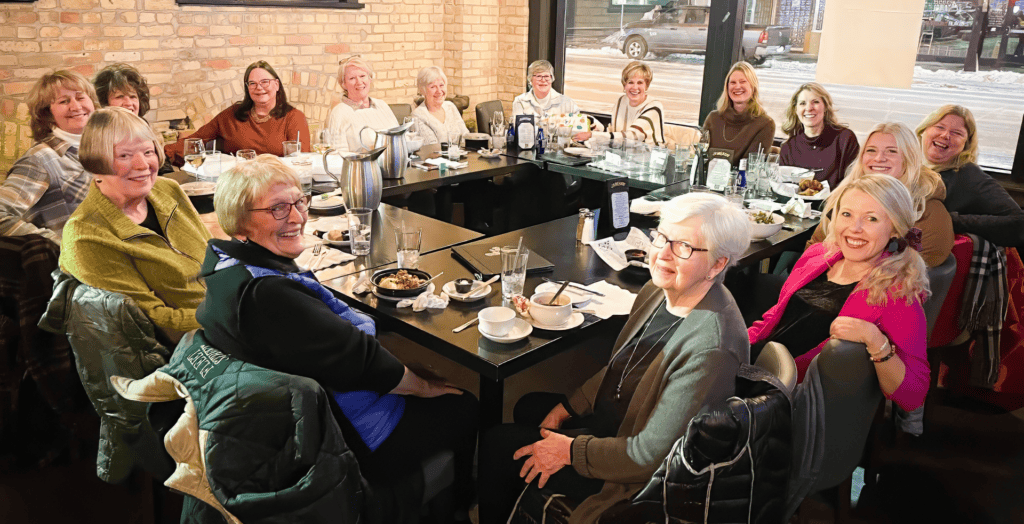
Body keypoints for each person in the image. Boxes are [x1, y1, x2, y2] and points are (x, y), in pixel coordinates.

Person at [195, 156, 478, 519]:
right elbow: (365, 361)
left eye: (299, 201)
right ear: (239, 220)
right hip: (346, 436)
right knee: (464, 403)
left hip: (295, 414)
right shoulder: (269, 297)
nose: (296, 217)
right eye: (277, 208)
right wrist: (424, 386)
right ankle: (456, 507)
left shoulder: (224, 269)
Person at [478, 193, 751, 524]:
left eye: (683, 247)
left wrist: (569, 451)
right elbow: (624, 366)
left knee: (497, 444)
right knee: (530, 407)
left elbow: (648, 456)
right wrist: (570, 405)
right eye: (662, 237)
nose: (662, 254)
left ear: (718, 263)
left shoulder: (711, 347)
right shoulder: (659, 289)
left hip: (631, 472)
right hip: (620, 421)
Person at [749, 174, 931, 412]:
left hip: (784, 400)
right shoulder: (817, 255)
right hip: (757, 368)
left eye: (871, 219)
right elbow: (776, 317)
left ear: (895, 229)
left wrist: (876, 341)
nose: (854, 229)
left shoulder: (896, 292)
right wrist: (737, 345)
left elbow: (914, 395)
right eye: (846, 214)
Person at [59, 107, 211, 341]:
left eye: (148, 151)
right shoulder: (86, 236)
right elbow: (154, 322)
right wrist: (229, 317)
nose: (143, 165)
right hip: (192, 344)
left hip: (228, 313)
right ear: (95, 162)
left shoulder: (167, 189)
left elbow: (213, 256)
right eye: (125, 156)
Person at [808, 122, 953, 267]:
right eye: (871, 150)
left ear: (910, 158)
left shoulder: (927, 209)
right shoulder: (846, 196)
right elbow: (815, 245)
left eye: (891, 151)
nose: (879, 158)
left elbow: (912, 272)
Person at [0, 70, 95, 245]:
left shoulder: (99, 148)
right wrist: (58, 243)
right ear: (47, 113)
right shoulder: (41, 159)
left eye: (81, 98)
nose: (75, 107)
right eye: (64, 101)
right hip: (76, 267)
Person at [916, 104, 1024, 247]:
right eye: (940, 127)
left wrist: (949, 220)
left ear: (966, 144)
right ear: (924, 130)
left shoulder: (969, 176)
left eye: (956, 133)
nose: (945, 135)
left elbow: (1019, 223)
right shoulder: (912, 165)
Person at [165, 61, 310, 165]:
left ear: (276, 85)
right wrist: (162, 153)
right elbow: (197, 138)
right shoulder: (232, 114)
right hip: (237, 185)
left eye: (265, 82)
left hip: (277, 185)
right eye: (252, 83)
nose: (259, 88)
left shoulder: (294, 117)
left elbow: (301, 163)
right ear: (247, 88)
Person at [779, 82, 859, 189]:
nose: (809, 108)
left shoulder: (845, 139)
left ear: (825, 107)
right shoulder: (788, 148)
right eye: (802, 103)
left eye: (815, 102)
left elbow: (854, 183)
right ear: (795, 110)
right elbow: (785, 188)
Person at [573, 61, 664, 146]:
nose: (635, 87)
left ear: (647, 85)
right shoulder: (622, 101)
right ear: (624, 85)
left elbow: (633, 136)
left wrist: (593, 135)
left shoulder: (654, 107)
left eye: (640, 83)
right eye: (630, 82)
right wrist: (591, 123)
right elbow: (614, 133)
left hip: (650, 158)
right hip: (623, 157)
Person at [702, 61, 775, 166]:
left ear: (753, 86)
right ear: (727, 87)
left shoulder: (765, 124)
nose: (737, 87)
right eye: (733, 82)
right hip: (708, 180)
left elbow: (751, 166)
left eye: (742, 81)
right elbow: (702, 158)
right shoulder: (713, 118)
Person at [325, 57, 399, 153]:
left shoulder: (381, 105)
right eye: (352, 78)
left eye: (362, 76)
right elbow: (336, 156)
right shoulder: (339, 113)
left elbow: (399, 138)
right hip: (362, 167)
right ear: (343, 84)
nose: (359, 82)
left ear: (369, 78)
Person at [411, 66, 470, 146]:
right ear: (423, 90)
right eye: (433, 87)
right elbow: (432, 149)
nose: (439, 91)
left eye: (441, 85)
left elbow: (466, 136)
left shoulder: (450, 106)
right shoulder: (418, 116)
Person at [512, 60, 585, 121]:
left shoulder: (568, 103)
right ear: (530, 79)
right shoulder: (520, 102)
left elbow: (581, 124)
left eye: (546, 76)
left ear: (552, 78)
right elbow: (518, 130)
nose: (543, 80)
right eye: (538, 76)